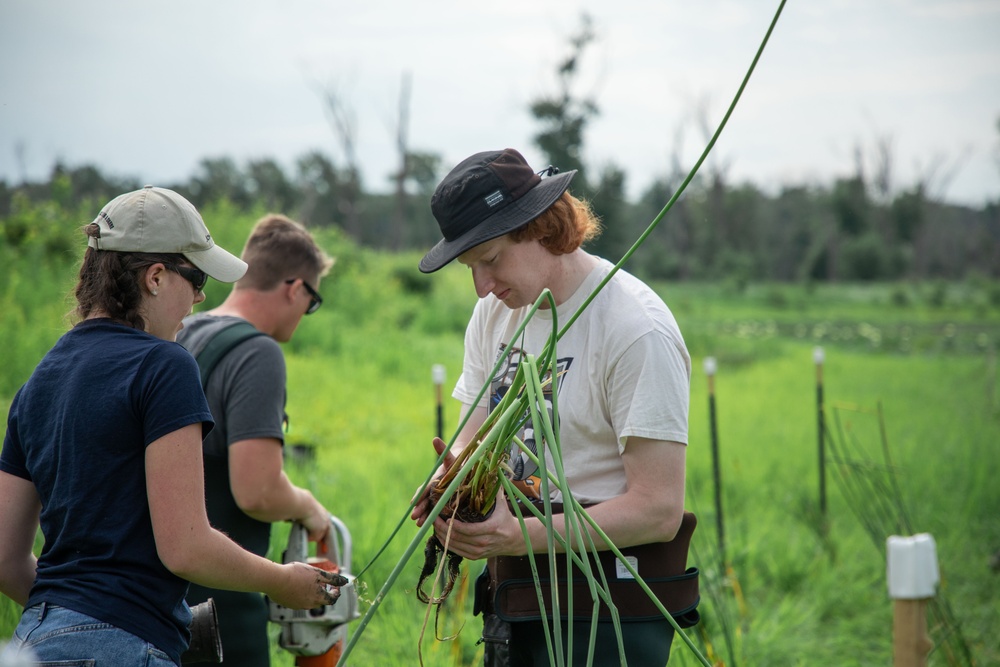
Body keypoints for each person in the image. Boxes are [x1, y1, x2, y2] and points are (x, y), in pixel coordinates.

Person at [0, 186, 342, 667]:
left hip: (33, 642)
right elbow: (185, 547)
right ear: (156, 277)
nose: (201, 296)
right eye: (196, 276)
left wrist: (73, 613)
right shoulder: (165, 364)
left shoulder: (40, 378)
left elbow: (5, 559)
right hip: (124, 646)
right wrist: (284, 581)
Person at [411, 149, 694, 665]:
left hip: (606, 609)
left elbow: (659, 509)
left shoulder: (634, 330)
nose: (482, 287)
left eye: (491, 260)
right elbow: (471, 442)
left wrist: (519, 536)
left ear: (542, 228)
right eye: (470, 268)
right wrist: (444, 485)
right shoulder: (495, 314)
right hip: (515, 595)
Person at [176, 213, 335, 667]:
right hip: (221, 605)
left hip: (147, 599)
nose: (306, 313)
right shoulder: (257, 351)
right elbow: (258, 491)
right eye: (313, 301)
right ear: (296, 289)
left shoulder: (182, 330)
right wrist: (308, 506)